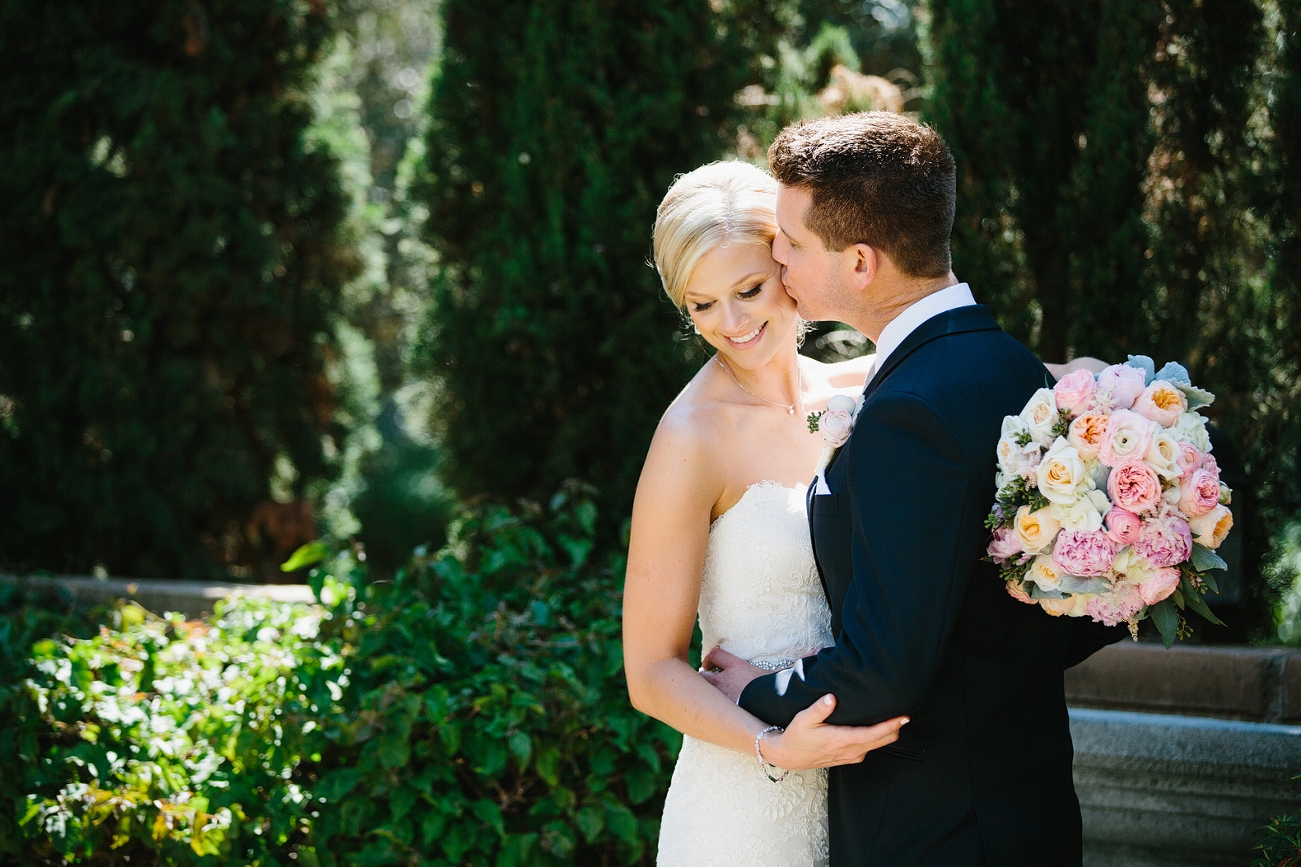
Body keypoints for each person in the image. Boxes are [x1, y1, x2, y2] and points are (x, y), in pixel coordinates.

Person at [702, 111, 1125, 866]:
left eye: (792, 243)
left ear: (859, 263)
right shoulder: (1013, 367)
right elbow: (1048, 613)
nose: (777, 257)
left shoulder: (909, 412)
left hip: (937, 832)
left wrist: (752, 691)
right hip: (1022, 807)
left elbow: (880, 673)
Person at [622, 160, 910, 867]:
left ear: (789, 261)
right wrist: (772, 744)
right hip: (745, 805)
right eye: (702, 305)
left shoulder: (863, 385)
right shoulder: (691, 437)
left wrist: (1098, 385)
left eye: (748, 288)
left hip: (873, 795)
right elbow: (651, 670)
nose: (732, 322)